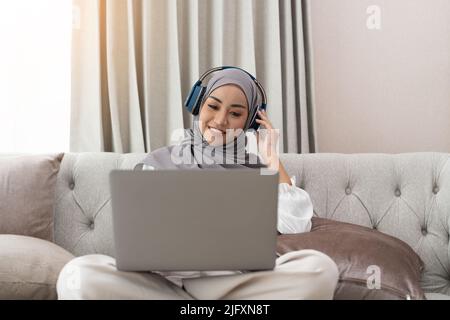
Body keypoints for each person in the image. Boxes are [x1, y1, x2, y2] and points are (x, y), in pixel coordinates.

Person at [57, 67, 339, 300]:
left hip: (234, 288)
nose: (220, 120)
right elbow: (139, 238)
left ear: (251, 121)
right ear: (197, 106)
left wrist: (271, 157)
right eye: (213, 107)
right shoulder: (159, 162)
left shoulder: (257, 170)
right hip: (164, 287)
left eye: (236, 113)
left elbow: (296, 224)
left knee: (320, 268)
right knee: (77, 275)